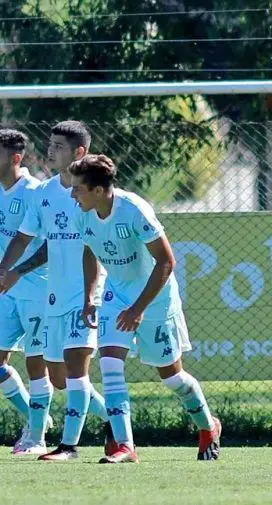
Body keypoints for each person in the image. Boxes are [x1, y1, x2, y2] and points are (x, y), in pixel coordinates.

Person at [69, 153, 221, 463]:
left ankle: (208, 426)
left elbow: (167, 261)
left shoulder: (134, 210)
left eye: (78, 188)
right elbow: (89, 252)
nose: (72, 194)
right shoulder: (82, 212)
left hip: (155, 299)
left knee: (172, 377)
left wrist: (139, 308)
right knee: (110, 362)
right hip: (117, 296)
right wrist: (89, 297)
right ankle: (126, 446)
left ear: (98, 190)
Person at [0, 121, 115, 461]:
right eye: (50, 144)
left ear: (79, 152)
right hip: (54, 296)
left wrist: (92, 293)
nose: (50, 151)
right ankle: (115, 422)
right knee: (59, 378)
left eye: (59, 146)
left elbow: (94, 247)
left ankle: (69, 447)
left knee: (77, 372)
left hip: (84, 293)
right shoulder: (44, 193)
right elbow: (27, 238)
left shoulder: (89, 195)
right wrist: (8, 269)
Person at [0, 129, 55, 455]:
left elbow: (49, 245)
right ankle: (37, 420)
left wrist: (15, 271)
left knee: (38, 366)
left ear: (15, 158)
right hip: (8, 289)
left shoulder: (35, 192)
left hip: (37, 291)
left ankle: (37, 438)